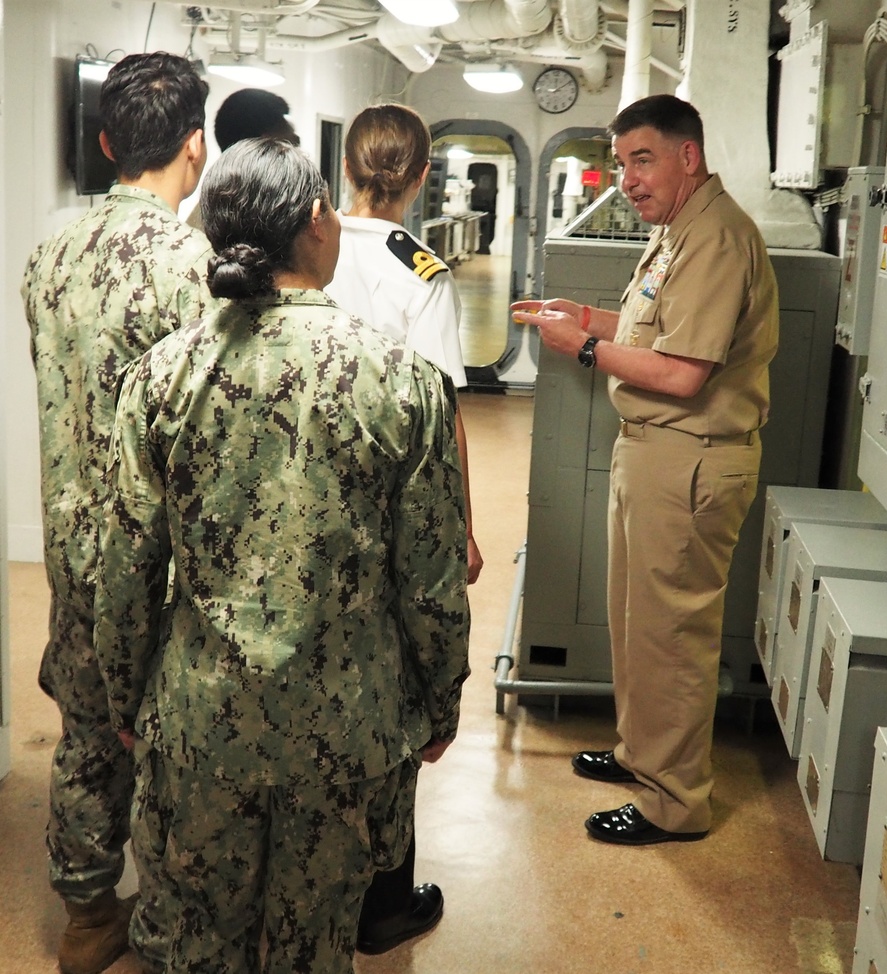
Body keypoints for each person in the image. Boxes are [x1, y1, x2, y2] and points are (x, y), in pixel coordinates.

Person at [92, 137, 471, 974]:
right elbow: (434, 578)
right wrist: (438, 704)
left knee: (192, 943)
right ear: (314, 222)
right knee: (312, 947)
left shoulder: (161, 378)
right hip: (346, 727)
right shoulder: (399, 380)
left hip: (199, 722)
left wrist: (128, 699)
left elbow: (122, 569)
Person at [512, 94, 779, 846]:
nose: (627, 180)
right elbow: (653, 329)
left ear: (687, 157)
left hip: (690, 459)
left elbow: (684, 371)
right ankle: (643, 757)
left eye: (642, 160)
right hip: (657, 455)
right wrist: (585, 317)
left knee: (673, 638)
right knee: (638, 627)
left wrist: (584, 350)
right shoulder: (676, 233)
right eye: (620, 163)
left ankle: (675, 801)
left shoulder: (718, 238)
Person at [20, 51, 215, 974]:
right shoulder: (195, 265)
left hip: (70, 536)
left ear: (103, 143)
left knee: (90, 734)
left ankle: (87, 915)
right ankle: (176, 915)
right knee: (168, 729)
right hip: (161, 550)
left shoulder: (48, 255)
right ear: (197, 144)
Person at [326, 102, 482, 952]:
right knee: (387, 687)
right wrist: (461, 524)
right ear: (422, 176)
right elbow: (439, 407)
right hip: (391, 508)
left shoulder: (300, 246)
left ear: (345, 166)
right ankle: (385, 898)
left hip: (307, 499)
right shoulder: (419, 268)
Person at [187, 87, 298, 230]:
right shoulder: (270, 225)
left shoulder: (204, 217)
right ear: (264, 148)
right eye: (289, 150)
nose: (296, 164)